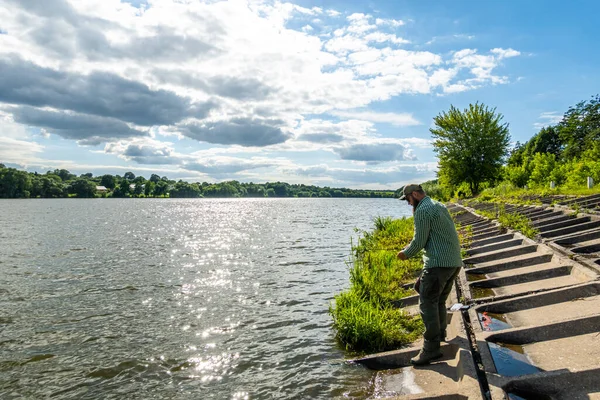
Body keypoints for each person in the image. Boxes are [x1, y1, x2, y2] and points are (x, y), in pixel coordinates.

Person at [396, 184, 463, 366]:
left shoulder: (423, 210)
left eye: (409, 200)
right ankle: (440, 334)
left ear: (415, 194)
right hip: (454, 262)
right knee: (438, 300)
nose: (409, 204)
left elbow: (419, 241)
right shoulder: (438, 204)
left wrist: (404, 254)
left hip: (438, 265)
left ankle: (431, 349)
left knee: (426, 304)